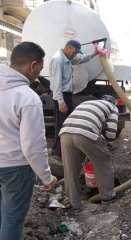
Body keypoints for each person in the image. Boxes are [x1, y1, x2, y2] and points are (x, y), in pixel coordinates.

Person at [0, 42, 57, 240]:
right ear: (33, 65)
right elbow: (32, 146)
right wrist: (47, 176)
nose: (38, 74)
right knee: (12, 218)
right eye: (40, 69)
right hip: (15, 167)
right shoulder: (28, 98)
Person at [59, 95, 119, 209]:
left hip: (65, 133)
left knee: (71, 169)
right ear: (114, 102)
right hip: (86, 133)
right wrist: (102, 143)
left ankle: (74, 203)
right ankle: (107, 197)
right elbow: (111, 134)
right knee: (104, 164)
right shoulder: (112, 107)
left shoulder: (87, 102)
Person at [49, 40, 99, 157]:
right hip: (61, 96)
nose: (75, 55)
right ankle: (58, 152)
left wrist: (95, 53)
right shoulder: (58, 60)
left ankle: (64, 149)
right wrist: (61, 102)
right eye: (75, 52)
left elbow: (82, 59)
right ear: (69, 48)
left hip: (67, 95)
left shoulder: (68, 58)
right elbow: (56, 84)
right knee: (62, 124)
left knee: (67, 123)